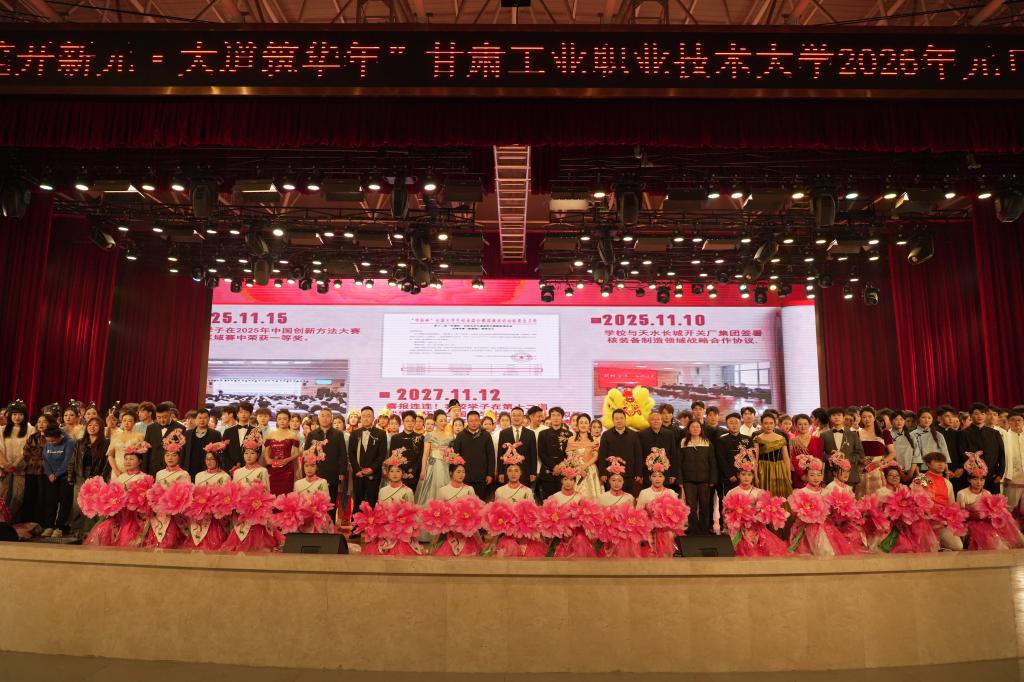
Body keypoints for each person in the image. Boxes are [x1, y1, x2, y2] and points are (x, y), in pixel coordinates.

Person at [220, 432, 281, 552]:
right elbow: (233, 491)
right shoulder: (238, 472)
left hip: (257, 507)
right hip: (241, 508)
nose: (249, 456)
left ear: (257, 455)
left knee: (257, 530)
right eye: (246, 453)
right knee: (241, 531)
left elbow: (267, 492)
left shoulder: (262, 471)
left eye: (252, 453)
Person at [723, 448, 789, 558]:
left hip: (755, 526)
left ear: (753, 476)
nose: (746, 477)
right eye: (743, 474)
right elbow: (726, 511)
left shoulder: (759, 492)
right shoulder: (732, 492)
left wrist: (758, 515)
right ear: (738, 475)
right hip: (739, 527)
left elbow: (765, 511)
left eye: (749, 475)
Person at [83, 448, 148, 548]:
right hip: (119, 514)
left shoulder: (144, 477)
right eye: (126, 459)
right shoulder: (121, 477)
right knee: (102, 529)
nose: (128, 461)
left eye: (131, 459)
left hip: (134, 515)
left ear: (140, 461)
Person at [958, 453, 1024, 550]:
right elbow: (960, 516)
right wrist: (976, 515)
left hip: (987, 522)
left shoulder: (987, 493)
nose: (979, 482)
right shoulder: (962, 494)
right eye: (975, 479)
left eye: (982, 479)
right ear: (969, 480)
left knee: (1004, 517)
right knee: (991, 540)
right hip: (972, 524)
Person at [144, 445, 191, 549]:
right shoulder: (159, 473)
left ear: (179, 457)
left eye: (174, 455)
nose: (170, 458)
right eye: (167, 455)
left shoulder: (184, 474)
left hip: (176, 511)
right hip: (161, 510)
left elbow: (187, 494)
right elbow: (155, 491)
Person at [68, 416, 109, 534]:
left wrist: (102, 477)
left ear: (101, 428)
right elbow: (73, 460)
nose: (92, 427)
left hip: (96, 476)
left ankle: (91, 530)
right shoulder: (80, 442)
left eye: (96, 425)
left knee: (93, 504)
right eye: (90, 425)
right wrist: (70, 475)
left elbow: (107, 463)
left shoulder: (106, 443)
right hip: (80, 474)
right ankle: (77, 529)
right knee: (78, 504)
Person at [915, 453, 963, 551]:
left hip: (942, 522)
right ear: (928, 464)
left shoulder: (947, 482)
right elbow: (918, 501)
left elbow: (952, 505)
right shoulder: (923, 478)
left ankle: (941, 547)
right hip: (925, 522)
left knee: (958, 546)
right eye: (937, 461)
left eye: (943, 462)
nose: (941, 464)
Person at [714, 413, 753, 529]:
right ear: (726, 425)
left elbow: (751, 458)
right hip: (728, 477)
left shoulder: (747, 439)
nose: (734, 425)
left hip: (745, 477)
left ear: (740, 423)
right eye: (731, 423)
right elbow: (720, 459)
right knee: (728, 501)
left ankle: (744, 525)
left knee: (745, 501)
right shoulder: (721, 440)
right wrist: (730, 475)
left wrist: (746, 474)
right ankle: (726, 526)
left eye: (736, 422)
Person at [678, 420, 716, 535]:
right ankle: (693, 528)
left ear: (701, 429)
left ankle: (704, 529)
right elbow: (679, 462)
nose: (695, 429)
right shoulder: (683, 442)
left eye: (698, 427)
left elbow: (712, 462)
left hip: (705, 480)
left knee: (705, 505)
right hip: (688, 480)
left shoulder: (707, 442)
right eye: (693, 427)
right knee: (691, 506)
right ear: (688, 429)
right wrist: (680, 479)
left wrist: (712, 479)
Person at [958, 403, 1005, 494]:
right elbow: (962, 454)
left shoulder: (995, 433)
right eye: (976, 413)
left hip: (992, 475)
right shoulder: (964, 433)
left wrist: (1000, 473)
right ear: (971, 415)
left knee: (993, 501)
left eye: (982, 413)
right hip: (973, 477)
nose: (979, 416)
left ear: (985, 415)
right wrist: (972, 472)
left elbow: (1002, 454)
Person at [188, 450, 231, 550]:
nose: (209, 462)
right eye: (207, 459)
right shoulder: (199, 475)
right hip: (202, 512)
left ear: (218, 460)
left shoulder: (225, 476)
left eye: (212, 459)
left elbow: (227, 496)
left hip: (217, 514)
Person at [305, 409, 346, 511]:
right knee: (314, 503)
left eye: (327, 416)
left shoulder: (338, 434)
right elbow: (306, 455)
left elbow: (343, 454)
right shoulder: (312, 434)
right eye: (322, 416)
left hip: (333, 473)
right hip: (315, 472)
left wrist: (342, 472)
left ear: (331, 419)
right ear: (318, 418)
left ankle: (331, 521)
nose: (325, 418)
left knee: (331, 503)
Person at [348, 406, 387, 513]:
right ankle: (356, 522)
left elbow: (382, 455)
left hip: (373, 474)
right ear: (361, 418)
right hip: (358, 474)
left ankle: (372, 523)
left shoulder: (381, 434)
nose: (366, 418)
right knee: (357, 502)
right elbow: (351, 453)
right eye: (363, 416)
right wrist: (357, 470)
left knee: (372, 502)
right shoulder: (354, 434)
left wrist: (372, 469)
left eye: (369, 416)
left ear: (373, 418)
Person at [0, 400, 33, 523]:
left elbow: (28, 449)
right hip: (4, 467)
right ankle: (2, 519)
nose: (17, 417)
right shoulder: (2, 429)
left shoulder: (30, 430)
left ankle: (11, 520)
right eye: (14, 414)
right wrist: (5, 464)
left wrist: (16, 464)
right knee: (3, 493)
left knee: (18, 495)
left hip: (21, 467)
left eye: (20, 414)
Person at [39, 426, 74, 538]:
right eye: (48, 441)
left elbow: (67, 461)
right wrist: (49, 473)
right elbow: (45, 460)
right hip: (51, 477)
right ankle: (49, 526)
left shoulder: (69, 442)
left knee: (64, 502)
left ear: (60, 437)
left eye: (53, 441)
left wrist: (57, 474)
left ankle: (60, 527)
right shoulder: (48, 443)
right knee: (50, 501)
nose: (50, 443)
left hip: (65, 477)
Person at [451, 411, 495, 499]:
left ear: (479, 421)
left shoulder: (486, 435)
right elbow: (455, 455)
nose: (474, 423)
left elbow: (491, 456)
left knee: (480, 502)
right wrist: (454, 473)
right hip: (464, 476)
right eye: (471, 421)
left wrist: (490, 474)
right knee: (464, 503)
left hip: (481, 477)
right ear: (467, 422)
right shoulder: (461, 435)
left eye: (476, 420)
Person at [819, 407, 865, 492]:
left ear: (844, 417)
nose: (836, 417)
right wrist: (830, 458)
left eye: (839, 415)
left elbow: (860, 453)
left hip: (849, 475)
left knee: (850, 498)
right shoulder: (824, 435)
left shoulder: (853, 434)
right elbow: (819, 453)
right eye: (834, 415)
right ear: (830, 418)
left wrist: (846, 459)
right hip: (831, 474)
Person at [597, 408, 642, 493]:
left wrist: (638, 473)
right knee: (612, 498)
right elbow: (602, 455)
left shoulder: (633, 434)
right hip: (611, 474)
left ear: (625, 419)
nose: (619, 421)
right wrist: (603, 473)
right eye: (616, 418)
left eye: (621, 418)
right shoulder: (606, 435)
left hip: (629, 474)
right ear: (613, 420)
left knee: (628, 498)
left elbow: (638, 455)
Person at [22, 412, 55, 524]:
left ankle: (41, 522)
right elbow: (26, 452)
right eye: (39, 421)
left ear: (50, 424)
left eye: (44, 422)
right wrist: (34, 461)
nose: (41, 424)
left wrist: (42, 462)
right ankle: (27, 521)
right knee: (29, 496)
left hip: (46, 472)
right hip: (31, 471)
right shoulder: (33, 437)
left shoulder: (54, 438)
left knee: (43, 497)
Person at [856, 406, 896, 498]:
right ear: (861, 419)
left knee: (879, 499)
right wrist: (861, 460)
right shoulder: (857, 433)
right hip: (862, 470)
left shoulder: (884, 433)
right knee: (862, 499)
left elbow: (892, 453)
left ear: (874, 417)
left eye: (869, 416)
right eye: (864, 417)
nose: (867, 419)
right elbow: (854, 452)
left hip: (878, 470)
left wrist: (881, 462)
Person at [416, 411, 453, 507]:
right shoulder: (430, 435)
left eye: (445, 420)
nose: (443, 423)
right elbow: (425, 454)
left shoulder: (450, 436)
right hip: (432, 465)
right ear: (435, 422)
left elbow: (452, 454)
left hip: (445, 466)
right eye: (441, 420)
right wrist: (423, 470)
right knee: (431, 489)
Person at [293, 451, 336, 534]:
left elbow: (327, 501)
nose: (309, 469)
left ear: (317, 467)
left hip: (318, 517)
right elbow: (295, 503)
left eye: (312, 466)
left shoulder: (322, 482)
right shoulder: (298, 483)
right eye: (306, 466)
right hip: (303, 518)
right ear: (303, 467)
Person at [497, 406, 537, 490]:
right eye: (514, 415)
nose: (516, 417)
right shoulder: (503, 433)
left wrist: (533, 472)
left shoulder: (530, 434)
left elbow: (533, 455)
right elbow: (500, 454)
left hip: (525, 472)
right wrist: (500, 472)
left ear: (523, 417)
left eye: (519, 415)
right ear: (511, 417)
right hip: (508, 471)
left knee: (524, 495)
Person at [753, 413, 791, 499]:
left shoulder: (781, 438)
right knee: (765, 496)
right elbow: (755, 459)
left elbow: (786, 458)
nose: (768, 426)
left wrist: (789, 475)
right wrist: (755, 476)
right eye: (766, 423)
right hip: (763, 469)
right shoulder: (757, 438)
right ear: (761, 424)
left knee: (780, 496)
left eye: (771, 423)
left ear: (775, 424)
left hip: (779, 469)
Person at [537, 407, 572, 501]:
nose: (556, 418)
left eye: (558, 415)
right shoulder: (543, 434)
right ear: (550, 417)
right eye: (553, 415)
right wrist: (553, 467)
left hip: (564, 473)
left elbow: (569, 454)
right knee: (548, 501)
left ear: (562, 417)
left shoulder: (569, 434)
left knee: (563, 501)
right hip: (547, 473)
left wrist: (560, 467)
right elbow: (541, 453)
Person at [142, 402, 186, 477]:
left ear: (170, 414)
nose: (162, 420)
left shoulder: (180, 428)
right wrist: (144, 470)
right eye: (159, 417)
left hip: (172, 468)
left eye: (165, 417)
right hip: (153, 467)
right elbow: (146, 450)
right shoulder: (150, 428)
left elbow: (182, 452)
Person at [565, 413, 601, 500]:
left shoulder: (594, 440)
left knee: (591, 499)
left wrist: (585, 466)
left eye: (586, 422)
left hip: (590, 470)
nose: (583, 425)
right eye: (581, 422)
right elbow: (570, 457)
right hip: (576, 471)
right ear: (577, 425)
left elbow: (595, 456)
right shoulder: (571, 439)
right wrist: (578, 468)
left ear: (589, 425)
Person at [639, 410, 679, 490]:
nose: (656, 421)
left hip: (665, 473)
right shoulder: (641, 434)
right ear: (649, 421)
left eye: (658, 419)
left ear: (661, 421)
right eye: (653, 419)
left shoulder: (669, 434)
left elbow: (673, 455)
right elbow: (639, 455)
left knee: (664, 495)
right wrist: (640, 474)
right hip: (647, 473)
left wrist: (673, 474)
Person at [263, 410, 300, 496]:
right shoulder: (271, 434)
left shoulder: (292, 435)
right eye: (279, 419)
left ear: (289, 420)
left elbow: (297, 453)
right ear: (276, 420)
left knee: (286, 494)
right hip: (272, 468)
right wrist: (267, 459)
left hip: (287, 469)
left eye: (284, 419)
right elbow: (266, 451)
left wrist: (287, 460)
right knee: (271, 494)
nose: (282, 421)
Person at [909, 408, 948, 483]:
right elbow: (914, 457)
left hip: (937, 470)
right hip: (921, 471)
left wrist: (947, 474)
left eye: (929, 418)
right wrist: (918, 474)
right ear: (918, 419)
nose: (926, 420)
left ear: (932, 419)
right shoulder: (912, 435)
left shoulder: (938, 435)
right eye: (923, 417)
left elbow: (945, 455)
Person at [388, 410, 423, 493]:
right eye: (407, 421)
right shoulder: (395, 438)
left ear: (415, 422)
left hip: (415, 475)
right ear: (403, 422)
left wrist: (413, 472)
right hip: (399, 475)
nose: (410, 423)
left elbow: (420, 457)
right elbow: (393, 457)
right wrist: (401, 472)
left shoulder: (420, 438)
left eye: (412, 421)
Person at [106, 411, 145, 480]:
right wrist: (116, 471)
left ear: (134, 423)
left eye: (129, 421)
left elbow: (143, 454)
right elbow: (110, 455)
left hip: (133, 470)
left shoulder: (139, 436)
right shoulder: (116, 435)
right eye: (124, 420)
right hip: (117, 469)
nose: (126, 423)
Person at [183, 409, 220, 479]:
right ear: (196, 419)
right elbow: (183, 453)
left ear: (208, 419)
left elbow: (218, 455)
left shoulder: (215, 434)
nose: (202, 420)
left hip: (207, 469)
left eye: (205, 418)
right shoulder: (187, 434)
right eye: (200, 418)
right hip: (189, 468)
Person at [788, 414, 824, 489]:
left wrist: (816, 475)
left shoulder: (817, 440)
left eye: (805, 424)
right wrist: (802, 475)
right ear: (796, 426)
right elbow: (793, 460)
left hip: (815, 475)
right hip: (799, 475)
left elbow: (820, 458)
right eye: (800, 424)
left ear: (809, 424)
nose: (803, 426)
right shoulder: (793, 441)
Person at [222, 402, 255, 472]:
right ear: (237, 414)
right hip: (230, 469)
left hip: (249, 468)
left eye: (246, 412)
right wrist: (231, 466)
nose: (243, 414)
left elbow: (258, 451)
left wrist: (248, 465)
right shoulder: (228, 431)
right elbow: (224, 452)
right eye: (241, 412)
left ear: (251, 414)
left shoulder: (255, 431)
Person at [1002, 409, 1024, 516]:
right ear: (1008, 422)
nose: (1017, 422)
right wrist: (1006, 475)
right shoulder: (1004, 436)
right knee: (1010, 506)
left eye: (1019, 420)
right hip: (1012, 477)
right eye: (1013, 420)